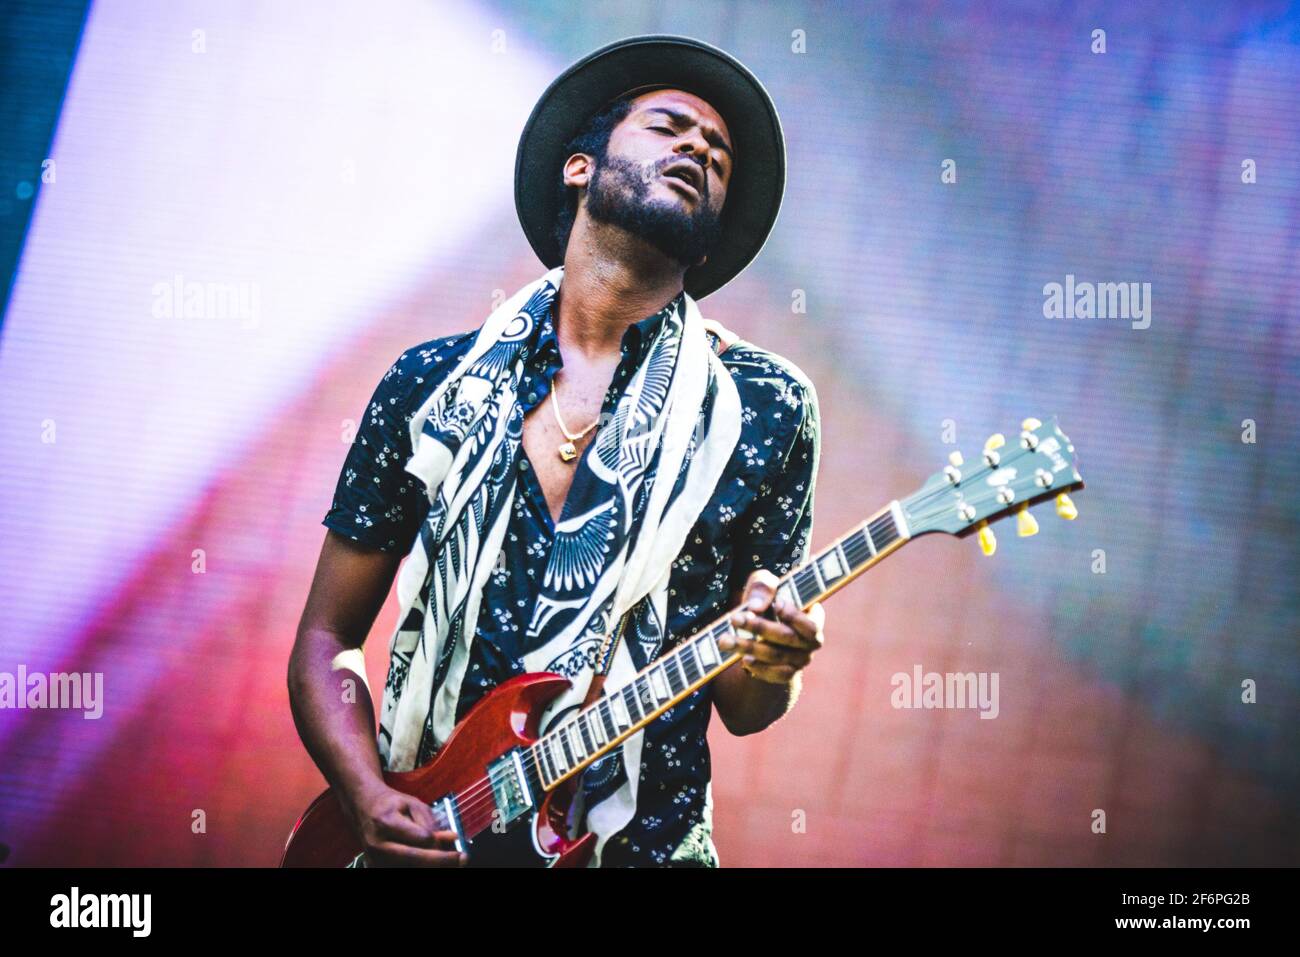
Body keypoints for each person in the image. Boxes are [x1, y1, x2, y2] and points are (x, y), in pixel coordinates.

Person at [288, 35, 825, 867]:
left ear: (709, 237)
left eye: (717, 156)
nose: (698, 150)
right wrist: (365, 791)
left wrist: (777, 660)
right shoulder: (432, 381)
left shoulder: (765, 406)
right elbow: (329, 635)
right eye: (670, 126)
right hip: (434, 836)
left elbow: (747, 704)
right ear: (580, 167)